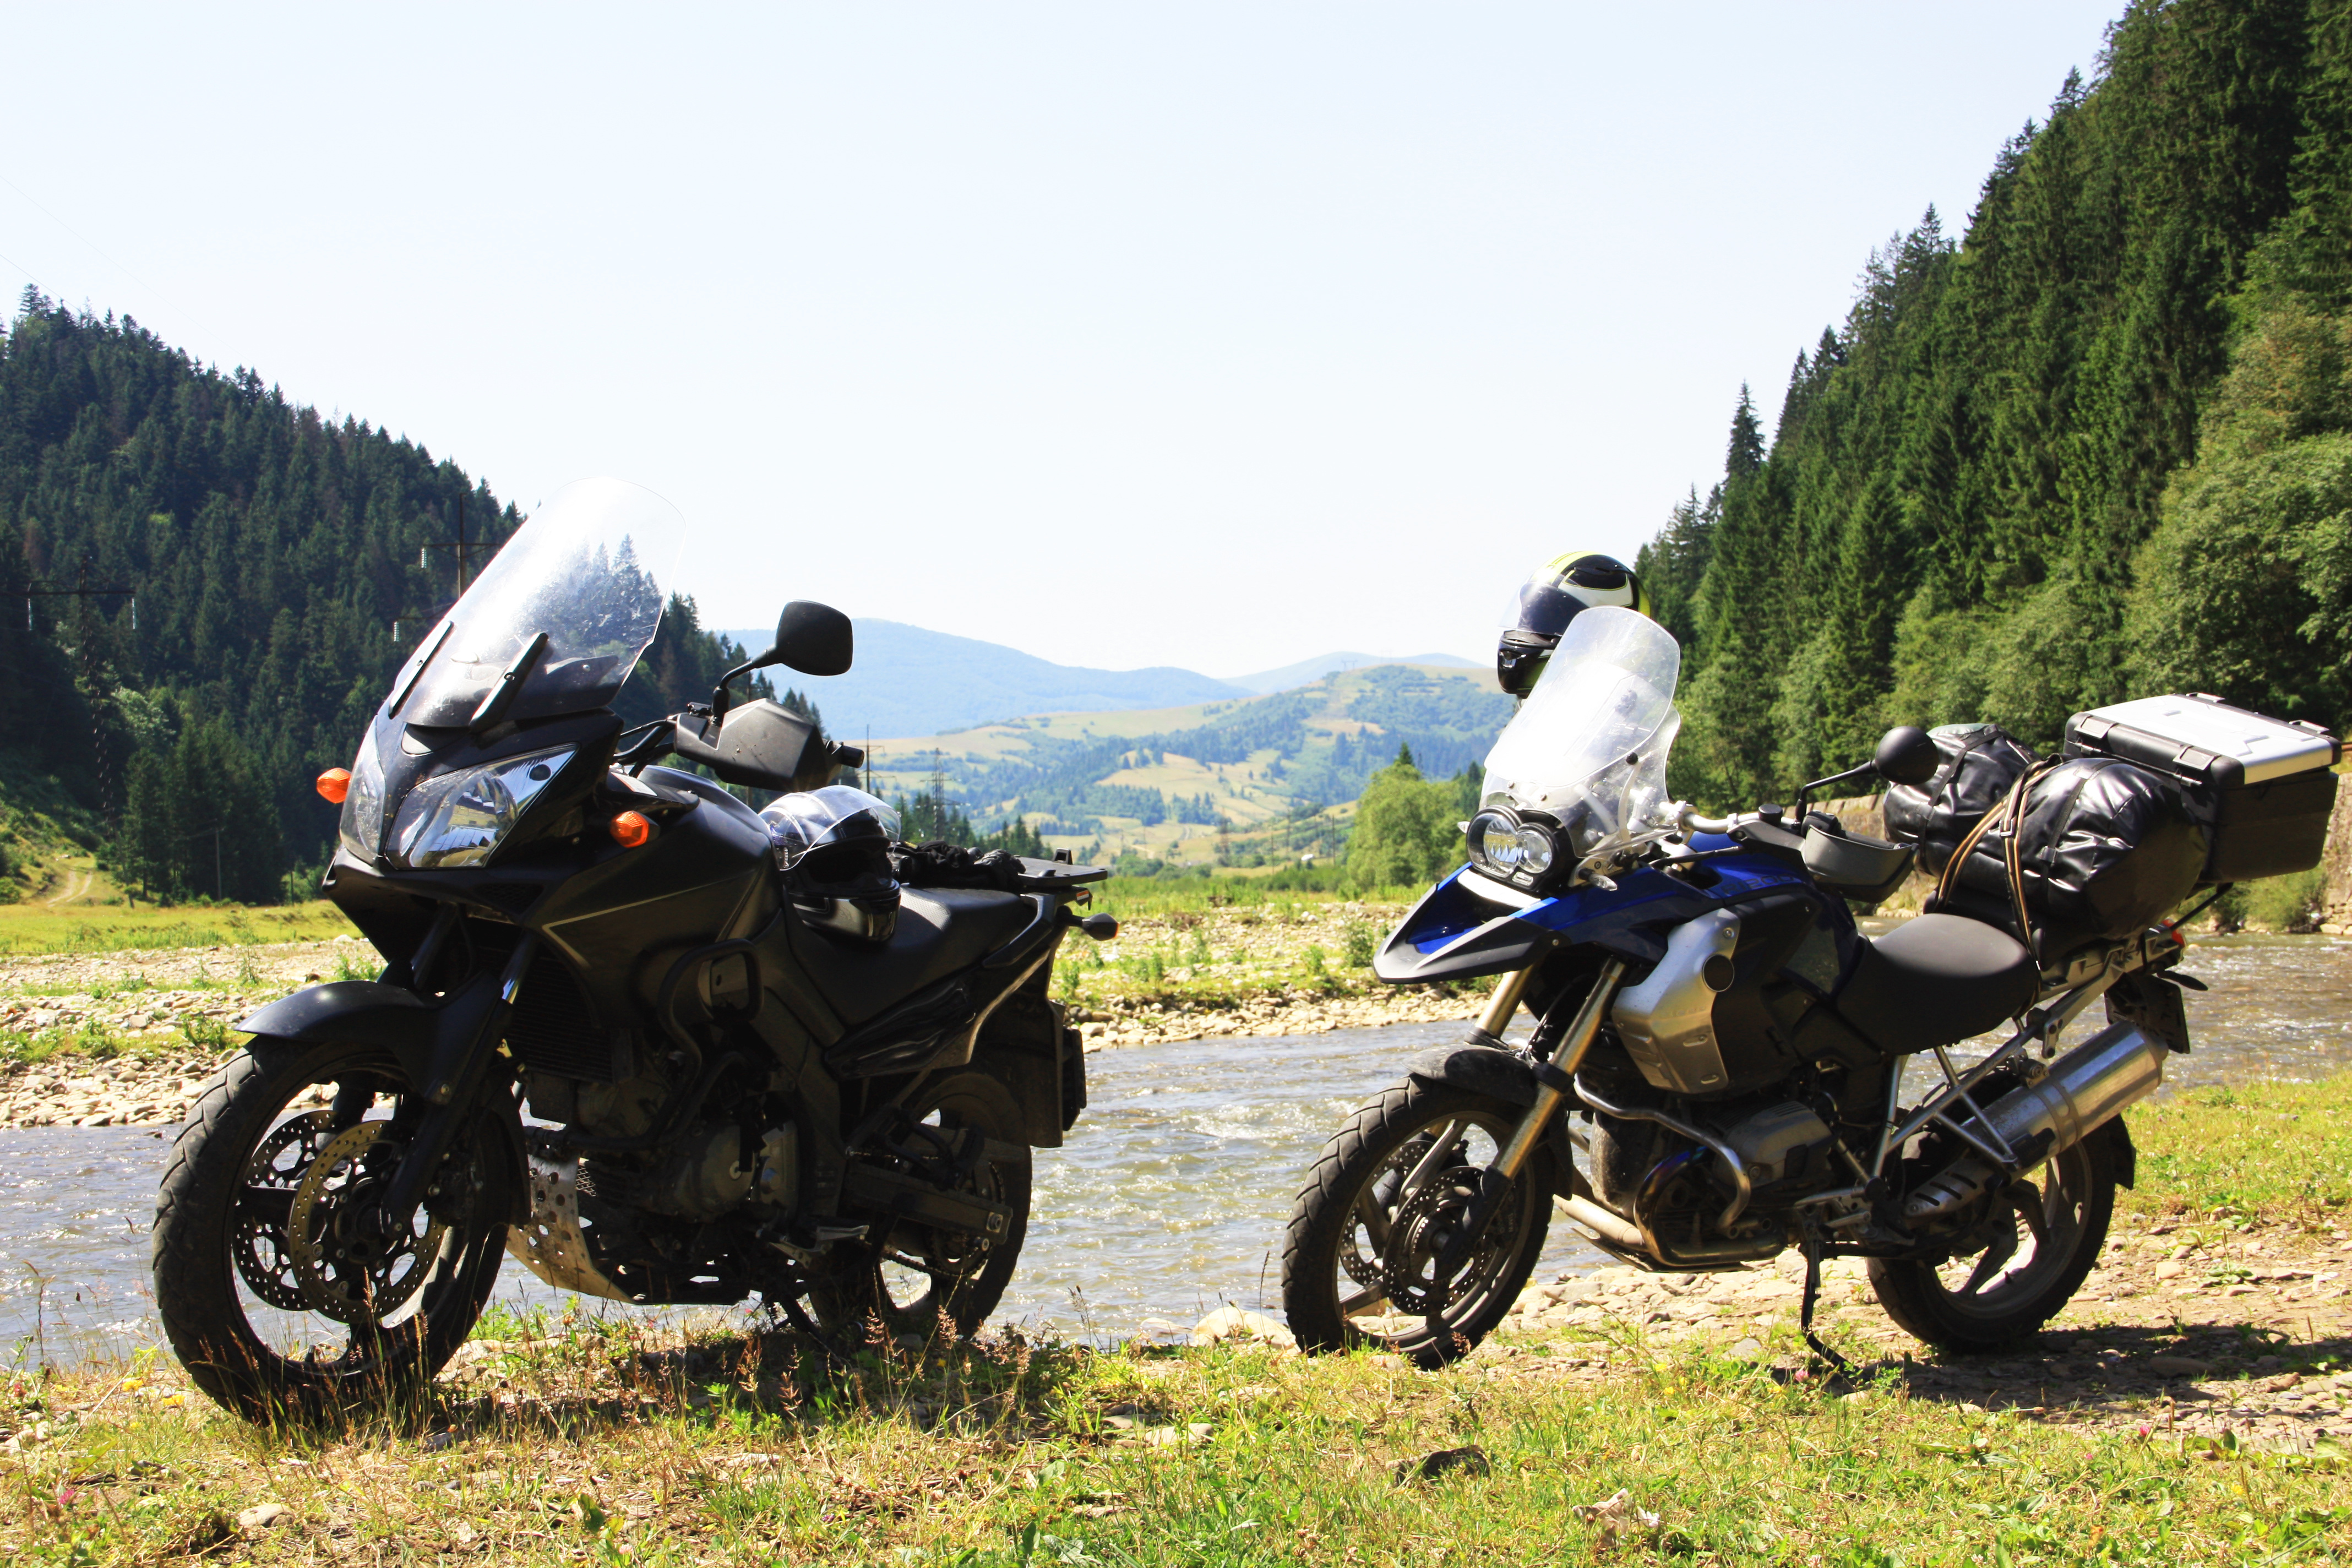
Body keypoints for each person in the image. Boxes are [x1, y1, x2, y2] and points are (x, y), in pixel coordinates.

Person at [1493, 551, 1652, 698]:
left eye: (1554, 621)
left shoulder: (1623, 718)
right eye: (1533, 617)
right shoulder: (1542, 714)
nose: (1529, 634)